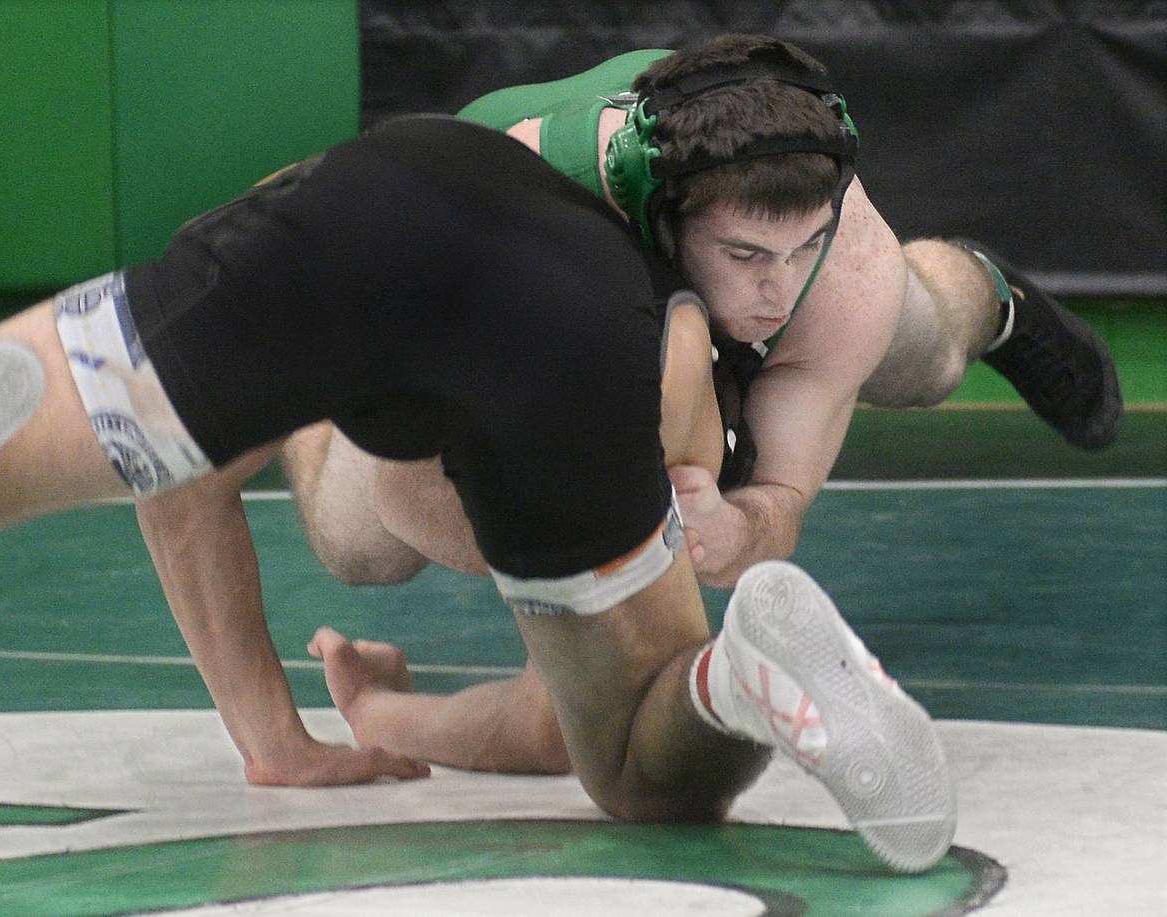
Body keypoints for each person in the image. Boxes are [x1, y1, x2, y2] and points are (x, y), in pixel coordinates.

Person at [0, 105, 952, 871]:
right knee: (640, 764)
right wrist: (394, 721)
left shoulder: (355, 202)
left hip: (358, 206)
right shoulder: (666, 300)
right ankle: (739, 675)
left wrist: (280, 736)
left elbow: (183, 486)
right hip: (568, 314)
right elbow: (550, 713)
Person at [283, 32, 1121, 782]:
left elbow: (779, 503)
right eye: (748, 254)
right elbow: (410, 501)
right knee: (359, 546)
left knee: (925, 356)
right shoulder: (498, 251)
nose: (777, 287)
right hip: (516, 289)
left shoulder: (837, 263)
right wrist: (381, 705)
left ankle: (993, 293)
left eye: (802, 246)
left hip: (672, 248)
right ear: (670, 222)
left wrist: (734, 525)